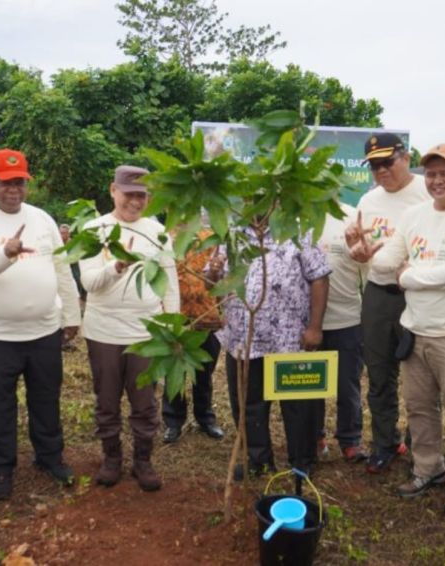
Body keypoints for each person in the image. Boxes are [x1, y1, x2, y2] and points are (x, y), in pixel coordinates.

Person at [350, 143, 445, 515]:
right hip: (417, 328)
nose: (437, 180)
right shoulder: (416, 215)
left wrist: (410, 277)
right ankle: (427, 468)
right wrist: (367, 255)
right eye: (431, 173)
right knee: (419, 407)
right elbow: (387, 262)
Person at [0, 148, 81, 501]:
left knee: (46, 398)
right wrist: (4, 255)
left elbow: (61, 268)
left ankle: (49, 456)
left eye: (20, 182)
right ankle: (0, 466)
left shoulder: (41, 219)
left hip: (43, 330)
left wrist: (71, 315)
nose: (13, 189)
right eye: (6, 182)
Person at [79, 165, 179, 491]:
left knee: (145, 402)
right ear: (112, 190)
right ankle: (111, 458)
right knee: (106, 400)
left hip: (145, 333)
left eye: (141, 196)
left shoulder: (157, 232)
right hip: (104, 331)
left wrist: (172, 327)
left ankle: (143, 460)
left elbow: (169, 284)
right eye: (129, 195)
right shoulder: (95, 230)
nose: (135, 202)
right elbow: (89, 282)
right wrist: (116, 266)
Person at [209, 227, 330, 477]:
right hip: (244, 339)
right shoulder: (230, 234)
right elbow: (211, 282)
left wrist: (315, 327)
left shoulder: (298, 229)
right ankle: (259, 461)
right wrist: (212, 271)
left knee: (297, 404)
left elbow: (319, 277)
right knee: (248, 404)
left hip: (289, 339)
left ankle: (302, 462)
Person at [346, 133, 430, 473]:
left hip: (421, 295)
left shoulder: (428, 192)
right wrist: (358, 253)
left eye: (387, 162)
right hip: (379, 294)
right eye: (374, 165)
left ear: (406, 157)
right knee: (380, 375)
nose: (381, 171)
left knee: (422, 378)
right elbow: (361, 252)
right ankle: (384, 443)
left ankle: (419, 447)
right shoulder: (369, 201)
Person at [161, 226, 225, 444]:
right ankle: (173, 421)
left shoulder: (209, 237)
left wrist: (221, 309)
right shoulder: (162, 237)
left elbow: (219, 275)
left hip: (206, 315)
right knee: (174, 373)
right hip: (175, 317)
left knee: (204, 373)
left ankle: (205, 417)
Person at [317, 202, 367, 462]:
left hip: (347, 318)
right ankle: (315, 437)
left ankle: (350, 439)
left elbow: (368, 266)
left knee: (347, 384)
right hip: (307, 321)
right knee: (310, 386)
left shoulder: (351, 216)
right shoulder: (293, 214)